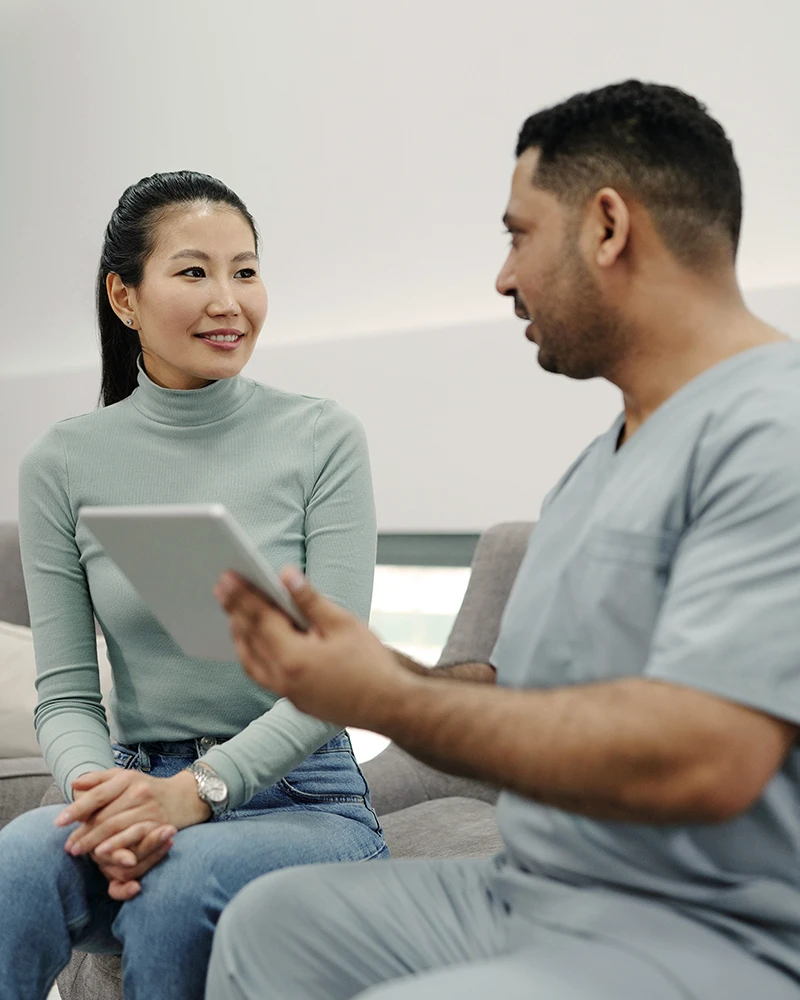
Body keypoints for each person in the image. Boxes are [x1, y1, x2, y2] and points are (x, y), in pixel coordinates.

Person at [206, 81, 800, 999]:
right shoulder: (607, 452)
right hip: (533, 893)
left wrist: (390, 703)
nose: (502, 275)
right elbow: (526, 694)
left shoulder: (772, 431)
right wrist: (371, 675)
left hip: (714, 930)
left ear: (607, 227)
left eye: (519, 234)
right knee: (270, 926)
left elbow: (707, 758)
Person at [0, 170, 387, 1000]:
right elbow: (66, 697)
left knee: (179, 886)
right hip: (138, 786)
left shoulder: (321, 439)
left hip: (304, 804)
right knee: (15, 863)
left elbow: (334, 683)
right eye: (193, 271)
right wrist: (104, 799)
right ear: (125, 297)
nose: (229, 300)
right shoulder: (63, 465)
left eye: (245, 271)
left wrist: (196, 796)